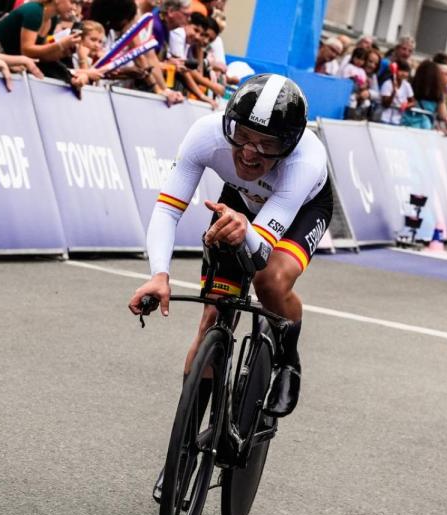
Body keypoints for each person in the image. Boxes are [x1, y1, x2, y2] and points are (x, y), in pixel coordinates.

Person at [129, 75, 332, 449]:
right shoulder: (206, 134)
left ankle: (288, 358)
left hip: (300, 210)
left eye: (267, 144)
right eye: (243, 136)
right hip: (239, 202)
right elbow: (167, 210)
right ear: (229, 125)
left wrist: (247, 229)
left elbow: (261, 251)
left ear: (288, 146)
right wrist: (159, 274)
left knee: (268, 280)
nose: (250, 153)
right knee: (212, 317)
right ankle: (184, 449)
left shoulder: (306, 161)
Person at [379, 59, 412, 125]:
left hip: (399, 120)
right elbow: (385, 104)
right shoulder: (387, 84)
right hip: (385, 119)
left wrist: (406, 105)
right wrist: (393, 93)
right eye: (401, 70)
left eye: (406, 71)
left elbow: (413, 101)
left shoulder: (407, 85)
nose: (404, 73)